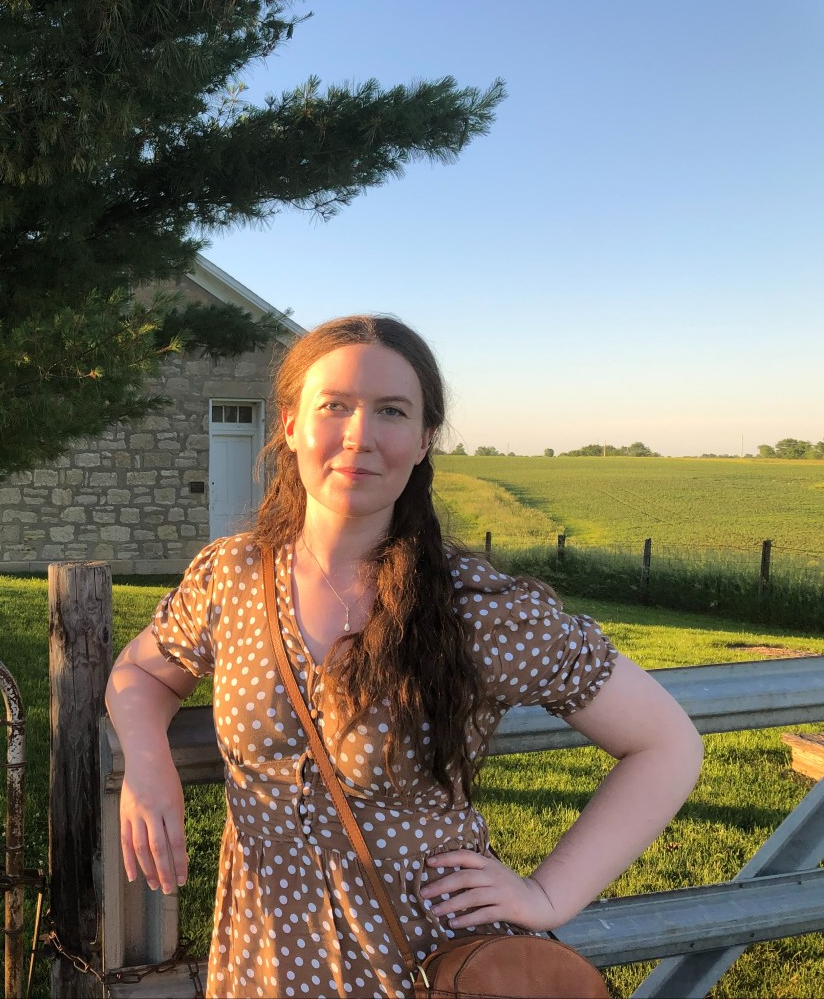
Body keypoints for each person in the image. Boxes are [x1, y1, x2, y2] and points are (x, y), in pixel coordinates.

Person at [105, 315, 704, 999]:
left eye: (391, 411)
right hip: (262, 961)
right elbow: (143, 671)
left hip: (425, 963)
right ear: (292, 422)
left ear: (423, 441)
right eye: (335, 406)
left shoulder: (478, 606)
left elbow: (667, 743)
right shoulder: (232, 576)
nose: (360, 436)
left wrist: (547, 894)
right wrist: (148, 763)